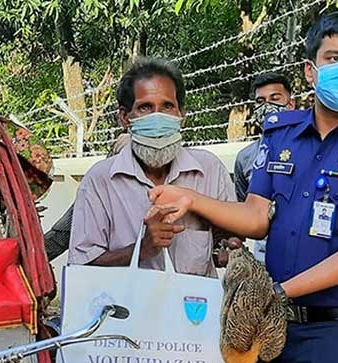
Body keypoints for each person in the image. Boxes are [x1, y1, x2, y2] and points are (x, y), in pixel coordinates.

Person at [149, 12, 338, 363]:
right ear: (311, 70)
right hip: (271, 330)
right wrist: (191, 199)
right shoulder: (280, 134)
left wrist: (277, 292)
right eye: (335, 58)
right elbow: (256, 219)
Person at [68, 57, 235, 278]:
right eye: (145, 107)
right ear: (124, 118)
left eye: (167, 106)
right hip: (126, 309)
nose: (157, 116)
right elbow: (81, 265)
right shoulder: (101, 180)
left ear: (181, 115)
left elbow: (228, 237)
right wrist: (141, 249)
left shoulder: (209, 170)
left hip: (194, 309)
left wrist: (226, 246)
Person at [234, 73, 296, 262]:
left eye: (275, 99)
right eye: (260, 101)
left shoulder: (311, 148)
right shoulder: (245, 158)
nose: (267, 106)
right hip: (263, 253)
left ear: (290, 104)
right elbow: (244, 208)